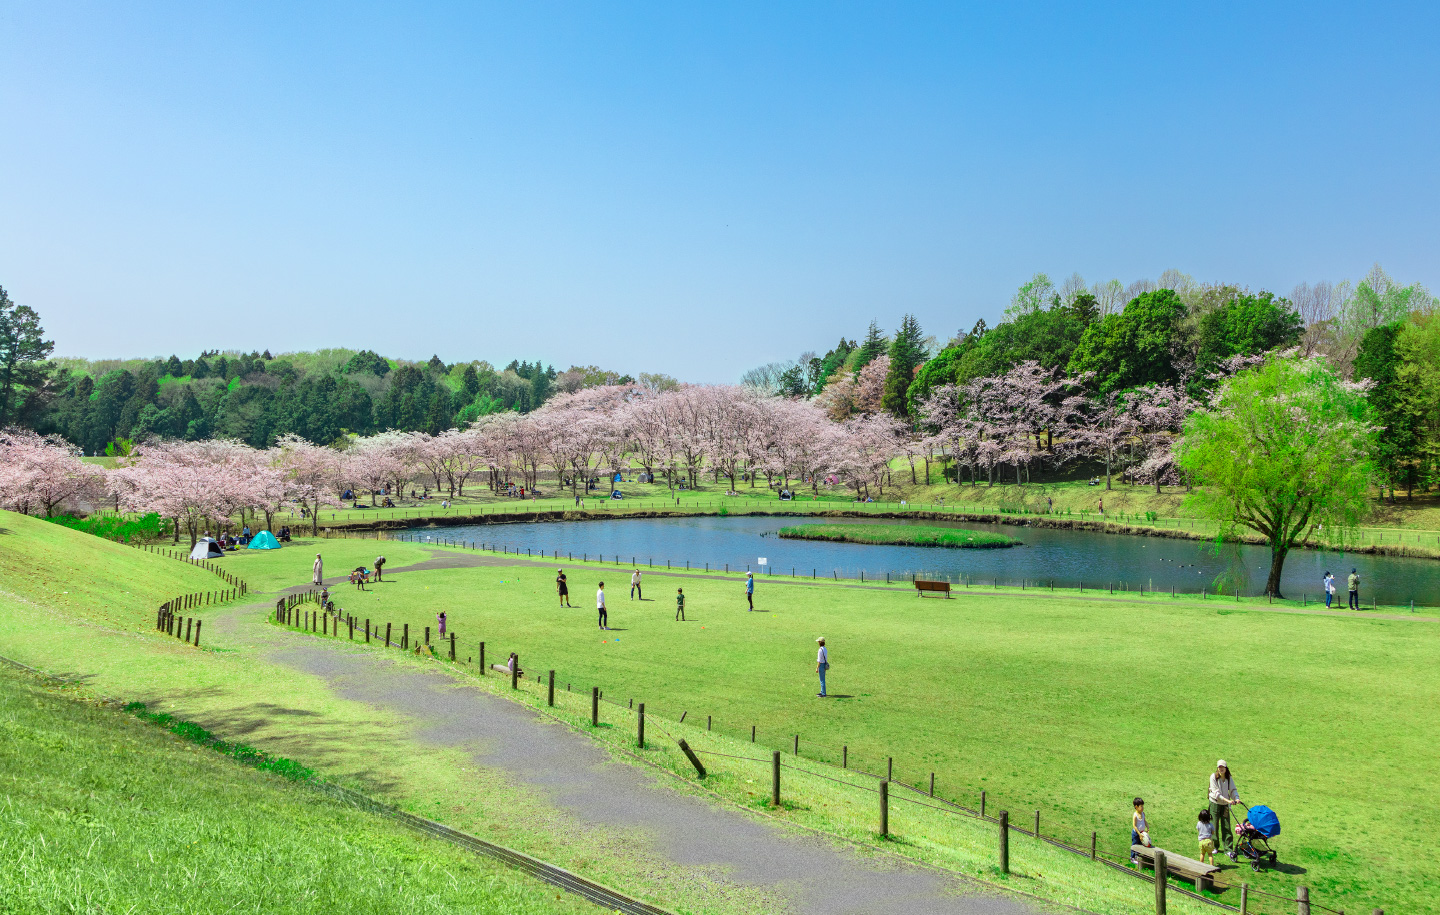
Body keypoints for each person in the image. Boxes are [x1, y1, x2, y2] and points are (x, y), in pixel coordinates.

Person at [1208, 760, 1240, 855]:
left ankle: (1228, 849)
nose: (1221, 769)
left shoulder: (1229, 778)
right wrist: (1228, 801)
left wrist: (1236, 798)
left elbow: (1233, 790)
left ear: (1226, 768)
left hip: (1225, 805)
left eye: (1223, 767)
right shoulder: (1213, 777)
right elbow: (1216, 793)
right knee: (1214, 825)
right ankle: (1214, 846)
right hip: (1215, 803)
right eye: (1219, 767)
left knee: (1226, 826)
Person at [1131, 797, 1150, 864]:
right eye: (1141, 806)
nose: (1142, 808)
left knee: (1139, 845)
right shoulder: (1135, 815)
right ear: (1136, 807)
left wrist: (1147, 826)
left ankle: (1137, 857)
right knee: (1135, 844)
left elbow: (1144, 821)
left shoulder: (1143, 814)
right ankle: (1132, 858)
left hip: (1142, 833)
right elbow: (1134, 826)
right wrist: (1139, 834)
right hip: (1136, 833)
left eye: (1143, 806)